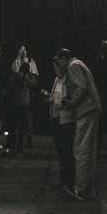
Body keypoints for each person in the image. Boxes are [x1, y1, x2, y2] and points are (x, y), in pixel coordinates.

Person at [53, 46, 102, 200]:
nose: (59, 65)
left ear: (63, 59)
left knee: (80, 149)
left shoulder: (73, 65)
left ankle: (81, 189)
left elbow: (81, 87)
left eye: (59, 61)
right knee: (89, 149)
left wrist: (71, 103)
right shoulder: (80, 64)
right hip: (92, 108)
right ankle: (88, 186)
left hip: (86, 110)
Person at [46, 54, 76, 193]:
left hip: (66, 119)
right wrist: (50, 98)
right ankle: (64, 180)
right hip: (56, 117)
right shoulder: (57, 80)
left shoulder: (68, 80)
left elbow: (71, 99)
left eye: (57, 66)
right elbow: (54, 96)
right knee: (60, 151)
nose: (55, 69)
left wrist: (58, 101)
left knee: (67, 151)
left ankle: (69, 181)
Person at [3, 43, 38, 155]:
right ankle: (17, 147)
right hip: (21, 103)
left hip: (20, 102)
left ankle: (16, 145)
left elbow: (33, 79)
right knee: (18, 126)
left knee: (20, 125)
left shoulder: (29, 64)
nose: (23, 53)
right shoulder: (18, 71)